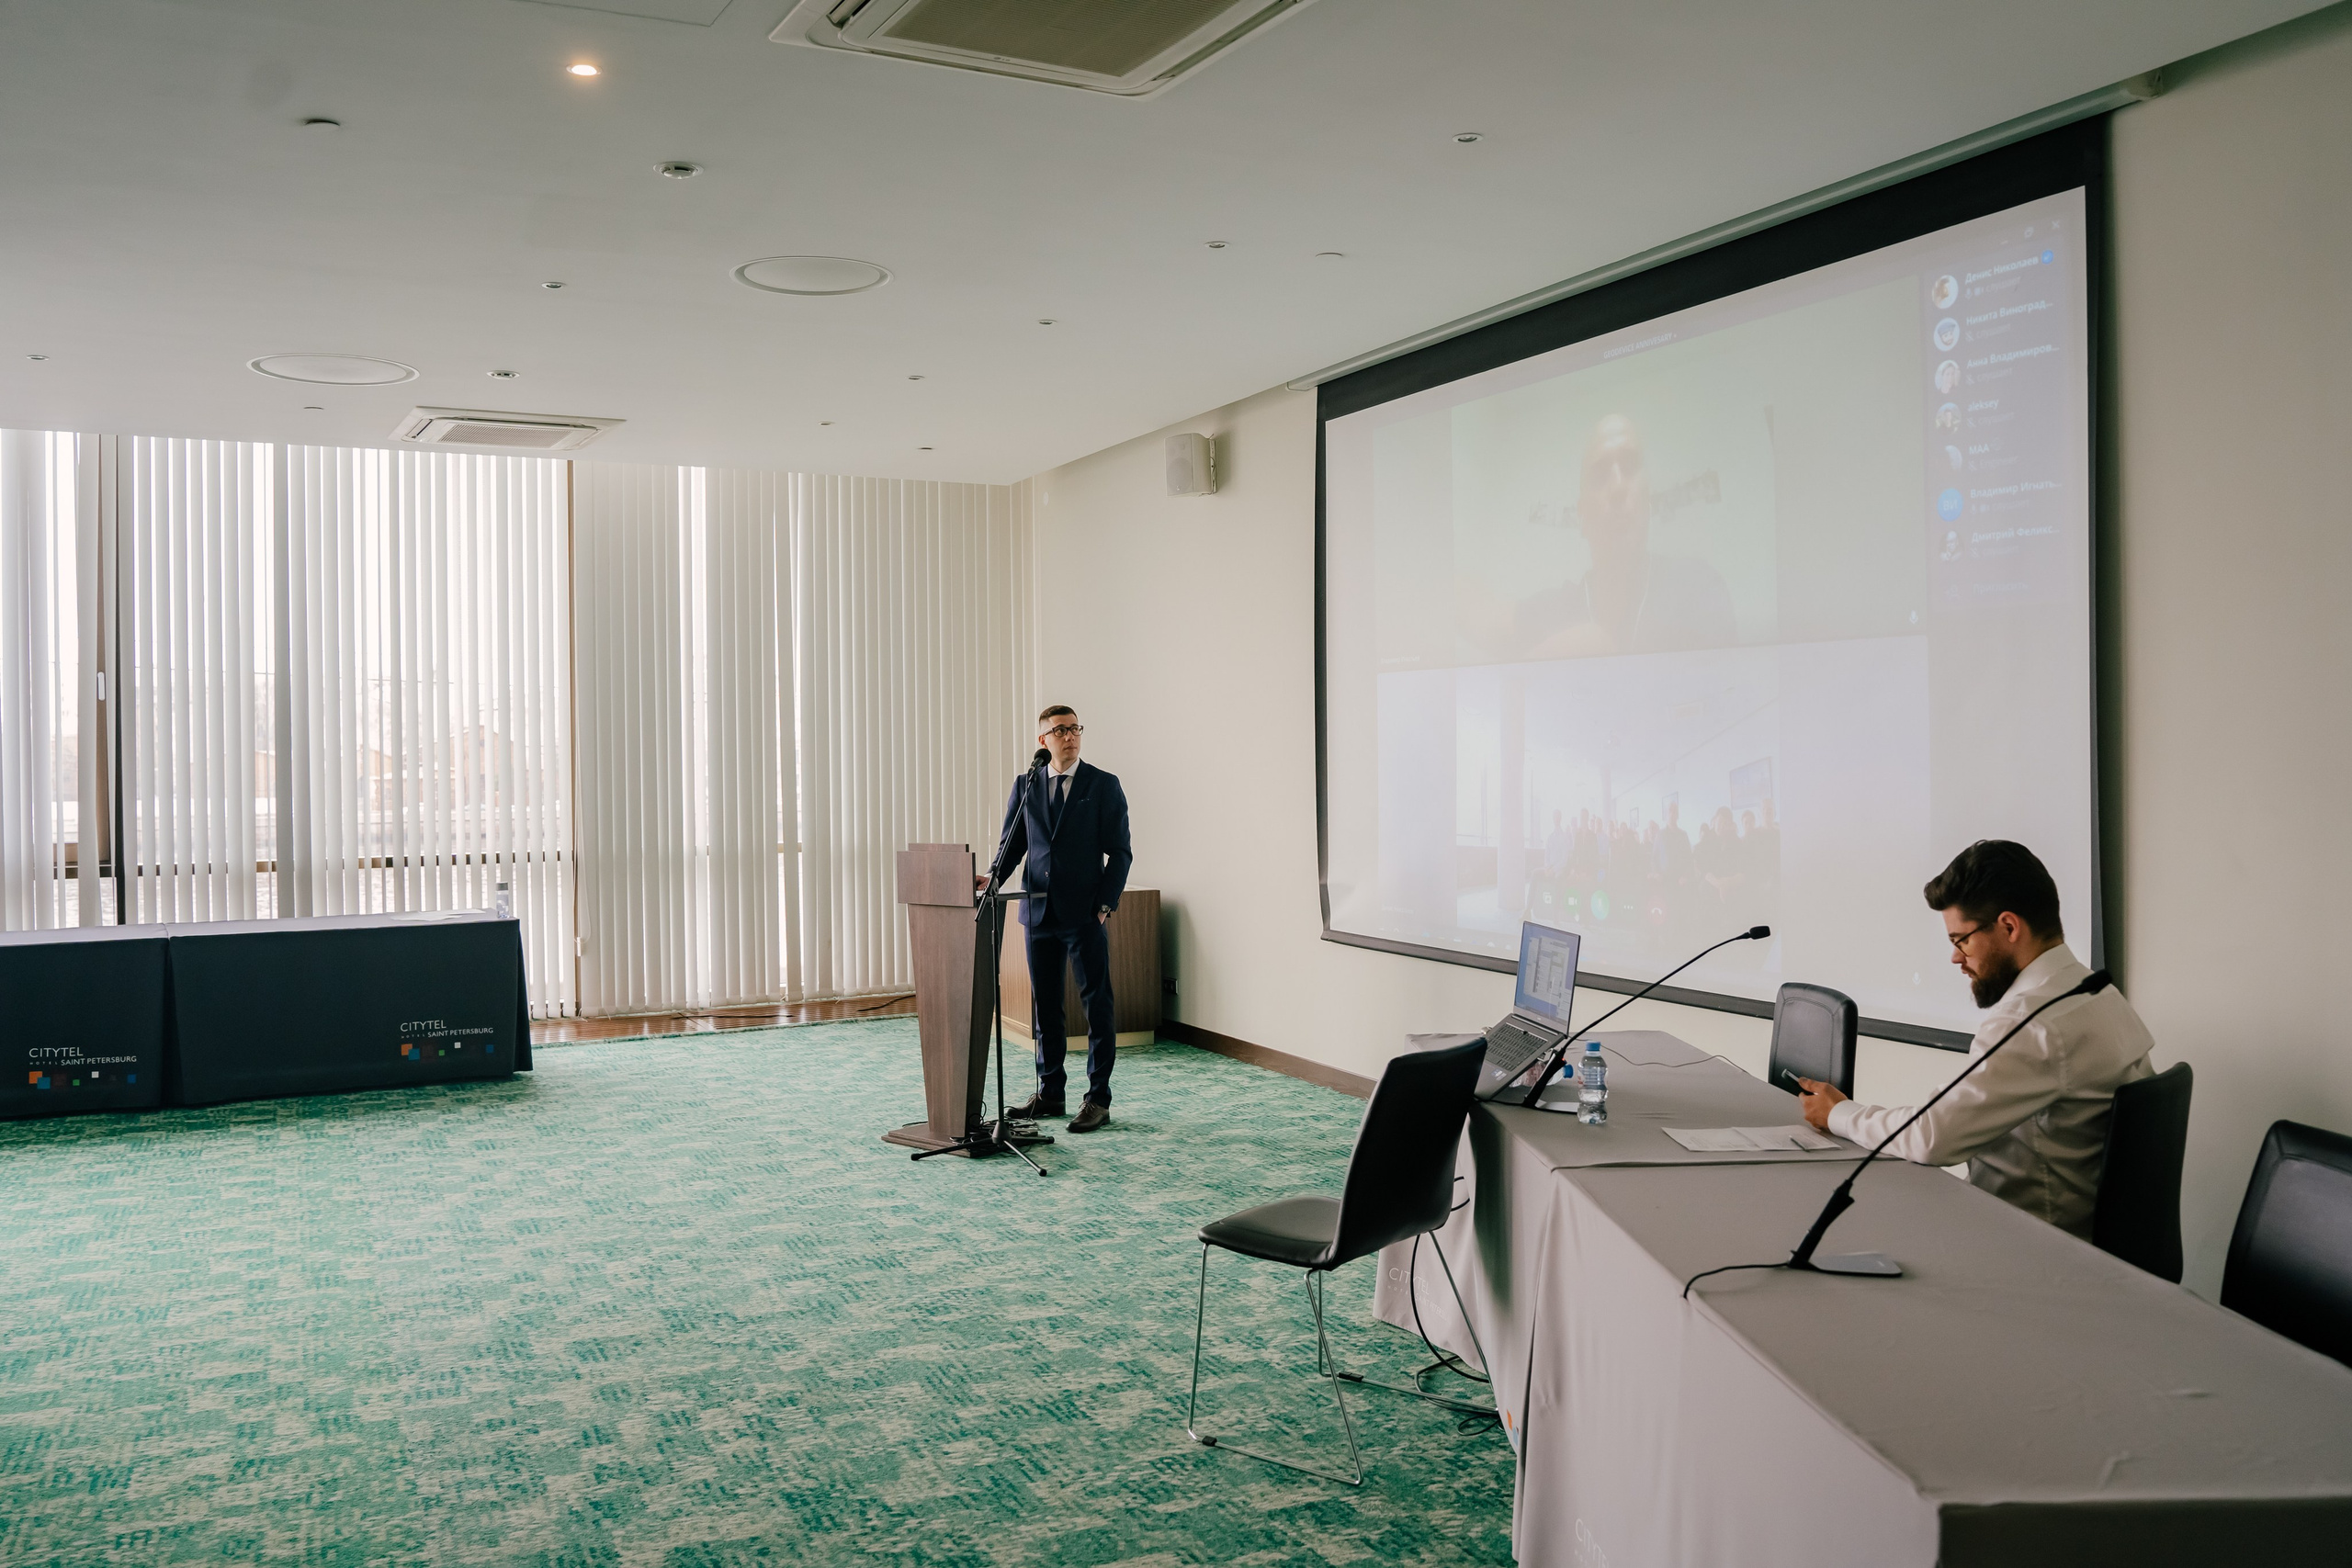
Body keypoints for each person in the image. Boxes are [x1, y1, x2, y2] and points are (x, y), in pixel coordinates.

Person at [1795, 840, 2155, 1239]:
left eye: (1960, 940)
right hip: (2081, 1245)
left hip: (2027, 1248)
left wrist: (1838, 1114)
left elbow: (1931, 1137)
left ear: (2009, 926)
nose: (1955, 958)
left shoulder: (2033, 1023)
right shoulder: (2097, 993)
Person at [985, 705, 1133, 1132]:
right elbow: (1012, 845)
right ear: (1043, 741)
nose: (1069, 736)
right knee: (1045, 1008)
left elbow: (1120, 852)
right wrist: (993, 879)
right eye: (1059, 730)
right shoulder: (1026, 784)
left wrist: (1105, 904)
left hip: (1084, 914)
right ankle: (1050, 1093)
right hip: (1037, 913)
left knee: (1096, 1006)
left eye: (1074, 729)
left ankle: (1098, 1098)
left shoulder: (1103, 785)